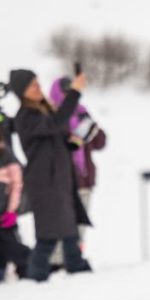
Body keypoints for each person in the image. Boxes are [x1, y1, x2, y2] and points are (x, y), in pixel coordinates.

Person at [10, 69, 92, 281]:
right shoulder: (25, 117)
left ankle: (75, 266)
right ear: (22, 91)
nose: (38, 88)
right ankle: (36, 276)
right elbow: (55, 123)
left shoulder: (43, 112)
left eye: (38, 83)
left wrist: (71, 143)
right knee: (48, 236)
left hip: (59, 180)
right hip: (45, 182)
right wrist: (74, 92)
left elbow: (53, 141)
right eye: (32, 85)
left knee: (68, 231)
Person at [49, 77, 106, 264]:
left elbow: (100, 143)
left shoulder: (82, 113)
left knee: (79, 223)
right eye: (65, 92)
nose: (68, 97)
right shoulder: (52, 117)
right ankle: (57, 261)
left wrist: (90, 126)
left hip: (84, 179)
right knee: (60, 222)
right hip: (62, 180)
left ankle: (75, 258)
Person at [0, 104, 30, 281]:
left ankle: (27, 264)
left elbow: (11, 123)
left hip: (6, 203)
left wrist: (12, 210)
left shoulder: (6, 153)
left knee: (9, 236)